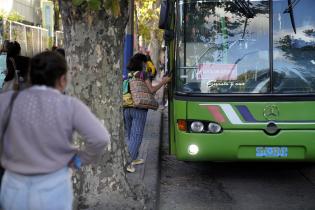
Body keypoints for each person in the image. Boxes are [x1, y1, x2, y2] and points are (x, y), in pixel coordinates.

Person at [0, 51, 110, 210]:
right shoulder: (70, 106)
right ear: (63, 80)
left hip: (13, 185)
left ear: (31, 76)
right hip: (53, 187)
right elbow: (100, 138)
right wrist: (79, 159)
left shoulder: (7, 100)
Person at [124, 53, 171, 173]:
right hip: (139, 108)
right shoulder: (143, 74)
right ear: (142, 63)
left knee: (130, 135)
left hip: (126, 107)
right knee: (137, 136)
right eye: (145, 62)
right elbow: (151, 90)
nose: (146, 64)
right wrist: (163, 82)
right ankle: (128, 163)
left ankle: (133, 158)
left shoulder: (128, 75)